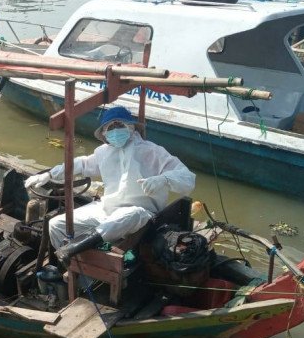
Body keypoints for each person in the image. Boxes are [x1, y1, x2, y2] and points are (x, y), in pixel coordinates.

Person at [25, 106, 195, 263]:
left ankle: (73, 248)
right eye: (110, 128)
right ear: (104, 134)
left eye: (118, 125)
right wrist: (49, 174)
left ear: (131, 126)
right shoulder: (103, 152)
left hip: (142, 213)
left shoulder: (152, 151)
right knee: (56, 225)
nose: (114, 131)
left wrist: (163, 179)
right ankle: (76, 265)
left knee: (130, 215)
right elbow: (81, 164)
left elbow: (187, 177)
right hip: (106, 209)